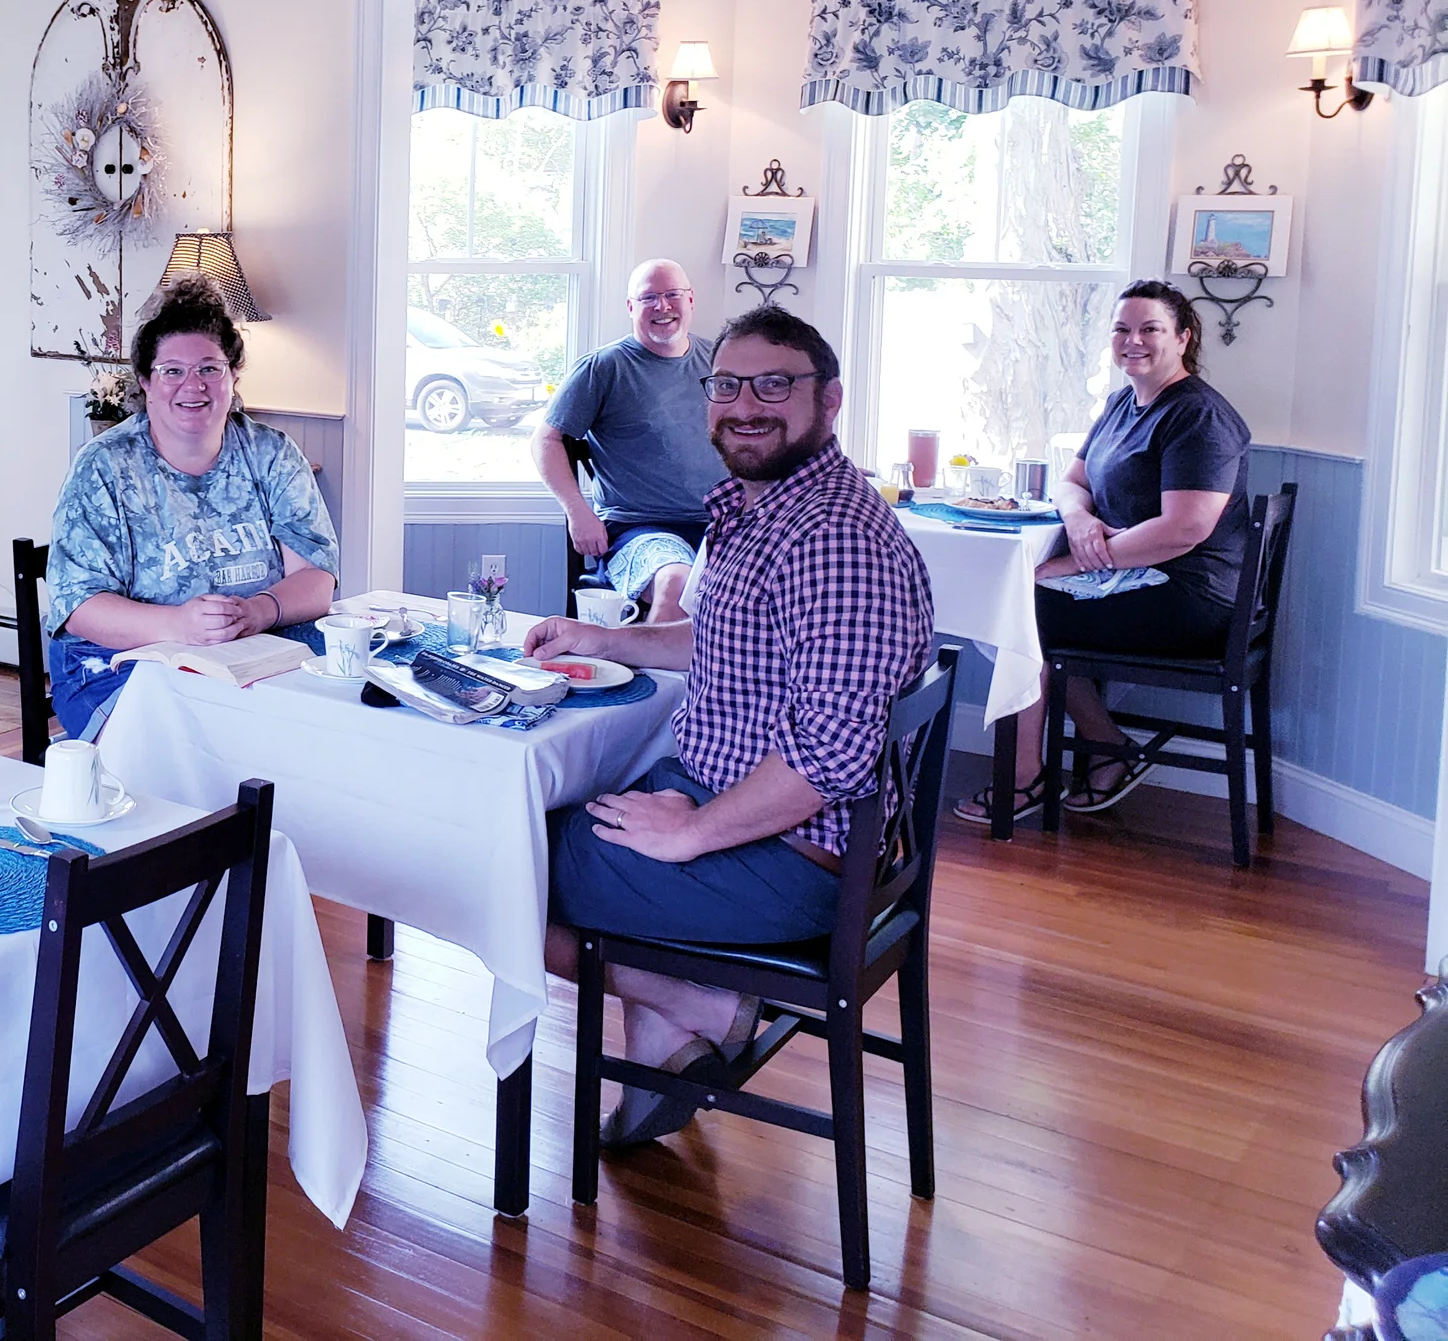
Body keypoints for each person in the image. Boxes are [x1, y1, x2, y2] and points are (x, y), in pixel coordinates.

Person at [521, 305, 934, 1148]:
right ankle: (673, 1037)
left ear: (831, 399)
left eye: (776, 384)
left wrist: (695, 831)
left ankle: (698, 1000)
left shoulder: (834, 540)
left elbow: (830, 756)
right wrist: (602, 637)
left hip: (789, 854)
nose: (746, 403)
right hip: (748, 808)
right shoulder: (769, 510)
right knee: (553, 822)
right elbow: (728, 640)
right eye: (728, 384)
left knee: (492, 858)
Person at [956, 281, 1252, 825]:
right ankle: (1110, 746)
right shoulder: (1123, 403)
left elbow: (1185, 529)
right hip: (1131, 579)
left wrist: (1078, 559)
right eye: (1121, 329)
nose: (1132, 340)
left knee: (1018, 611)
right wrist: (1079, 518)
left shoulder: (1198, 417)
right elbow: (1072, 480)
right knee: (1020, 610)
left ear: (1183, 338)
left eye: (1149, 329)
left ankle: (1024, 780)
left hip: (1188, 597)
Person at [42, 276, 339, 740]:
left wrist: (260, 610)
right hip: (120, 666)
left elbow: (317, 581)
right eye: (172, 371)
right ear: (145, 381)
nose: (192, 386)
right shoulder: (104, 467)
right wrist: (178, 625)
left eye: (209, 368)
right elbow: (79, 607)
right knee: (220, 743)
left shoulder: (272, 454)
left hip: (254, 652)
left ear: (234, 374)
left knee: (335, 720)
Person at [534, 258, 728, 624]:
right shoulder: (603, 368)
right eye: (649, 297)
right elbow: (546, 440)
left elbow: (757, 429)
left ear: (691, 300)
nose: (662, 306)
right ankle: (656, 682)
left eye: (672, 295)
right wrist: (578, 511)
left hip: (724, 526)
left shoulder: (720, 361)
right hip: (638, 529)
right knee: (677, 583)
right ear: (630, 307)